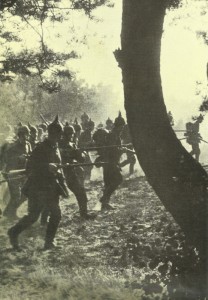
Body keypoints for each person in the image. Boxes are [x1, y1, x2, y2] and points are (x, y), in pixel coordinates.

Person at [8, 116, 68, 250]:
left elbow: (58, 167)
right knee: (33, 217)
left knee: (56, 214)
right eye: (59, 134)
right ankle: (13, 232)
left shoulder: (55, 147)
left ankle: (48, 243)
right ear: (52, 134)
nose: (60, 137)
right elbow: (30, 167)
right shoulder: (40, 148)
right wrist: (47, 166)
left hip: (51, 187)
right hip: (38, 188)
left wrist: (63, 184)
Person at [59, 124, 95, 220]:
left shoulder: (72, 144)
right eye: (69, 134)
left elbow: (80, 159)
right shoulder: (60, 145)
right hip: (64, 174)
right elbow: (63, 157)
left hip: (72, 173)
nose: (71, 136)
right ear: (64, 134)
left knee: (81, 193)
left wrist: (81, 153)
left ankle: (84, 214)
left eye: (72, 134)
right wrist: (74, 153)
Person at [1, 125, 31, 218]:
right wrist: (19, 158)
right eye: (24, 135)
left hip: (23, 173)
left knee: (25, 194)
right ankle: (10, 214)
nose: (26, 137)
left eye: (27, 135)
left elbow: (30, 154)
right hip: (12, 173)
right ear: (19, 135)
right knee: (16, 196)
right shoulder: (12, 146)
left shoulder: (28, 144)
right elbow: (7, 159)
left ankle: (8, 212)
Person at [99, 112, 125, 210]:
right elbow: (112, 149)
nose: (122, 129)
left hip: (110, 162)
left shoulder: (114, 134)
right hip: (110, 162)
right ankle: (104, 199)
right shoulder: (113, 135)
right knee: (118, 179)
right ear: (119, 126)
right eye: (121, 127)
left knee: (109, 183)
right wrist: (122, 150)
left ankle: (105, 204)